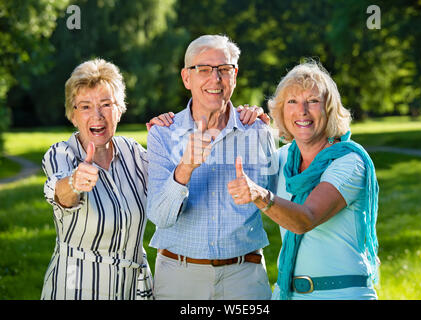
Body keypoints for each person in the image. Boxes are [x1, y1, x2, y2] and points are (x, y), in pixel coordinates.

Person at [227, 60, 380, 300]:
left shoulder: (349, 161)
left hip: (342, 294)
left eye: (313, 101)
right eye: (292, 102)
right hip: (287, 293)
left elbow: (305, 219)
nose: (302, 111)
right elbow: (226, 174)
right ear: (281, 112)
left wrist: (260, 195)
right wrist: (247, 124)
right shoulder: (282, 159)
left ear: (329, 109)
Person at [146, 34, 276, 300]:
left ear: (235, 75)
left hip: (245, 277)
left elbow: (280, 202)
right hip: (179, 278)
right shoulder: (163, 133)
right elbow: (159, 217)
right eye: (203, 69)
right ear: (186, 78)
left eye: (224, 70)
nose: (215, 79)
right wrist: (185, 168)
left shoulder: (258, 130)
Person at [41, 58, 153, 300]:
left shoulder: (133, 152)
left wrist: (168, 133)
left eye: (106, 104)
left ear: (120, 110)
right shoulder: (61, 153)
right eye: (85, 106)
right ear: (73, 115)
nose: (97, 116)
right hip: (77, 287)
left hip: (132, 289)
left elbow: (172, 188)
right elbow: (60, 192)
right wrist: (74, 182)